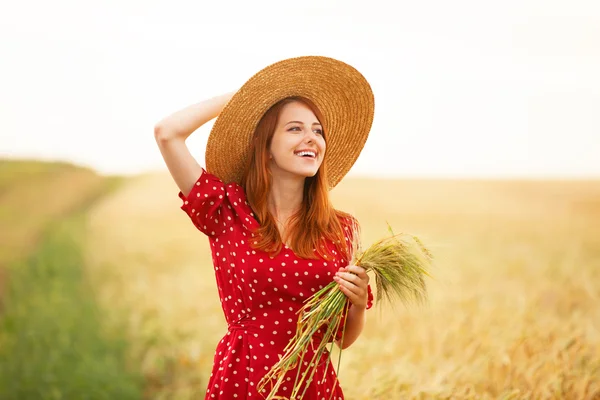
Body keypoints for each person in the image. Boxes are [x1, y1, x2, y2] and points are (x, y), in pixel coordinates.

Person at [154, 56, 375, 399]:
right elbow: (168, 133)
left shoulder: (339, 229)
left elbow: (340, 337)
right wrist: (246, 98)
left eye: (318, 130)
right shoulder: (225, 211)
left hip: (313, 384)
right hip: (244, 380)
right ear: (266, 146)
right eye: (295, 128)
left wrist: (358, 303)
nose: (311, 138)